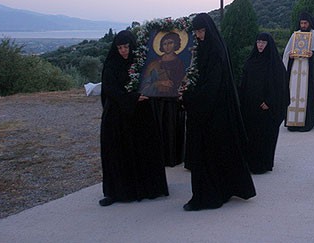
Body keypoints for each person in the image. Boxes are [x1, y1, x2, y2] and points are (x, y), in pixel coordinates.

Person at [180, 13, 256, 211]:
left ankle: (208, 197)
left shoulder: (215, 49)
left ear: (209, 29)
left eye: (201, 30)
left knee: (208, 154)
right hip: (209, 109)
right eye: (196, 31)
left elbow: (212, 85)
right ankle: (219, 191)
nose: (198, 34)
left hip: (214, 110)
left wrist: (189, 98)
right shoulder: (203, 48)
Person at [99, 30, 168, 207]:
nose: (123, 51)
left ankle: (148, 188)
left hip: (141, 115)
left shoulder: (141, 63)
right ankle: (117, 192)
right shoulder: (111, 66)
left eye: (126, 47)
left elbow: (152, 81)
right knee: (118, 153)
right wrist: (132, 98)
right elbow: (110, 90)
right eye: (120, 48)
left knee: (144, 149)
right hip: (118, 117)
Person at [238, 32, 289, 174]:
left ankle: (263, 164)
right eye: (258, 42)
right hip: (250, 106)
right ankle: (250, 162)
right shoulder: (251, 61)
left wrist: (269, 102)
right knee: (251, 135)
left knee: (264, 136)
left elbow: (280, 86)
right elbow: (245, 83)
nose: (260, 45)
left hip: (265, 108)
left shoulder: (275, 64)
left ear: (268, 45)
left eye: (263, 43)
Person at [140, 31, 186, 167]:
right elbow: (146, 84)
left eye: (170, 43)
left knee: (173, 130)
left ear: (176, 44)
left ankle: (175, 157)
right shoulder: (154, 64)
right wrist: (159, 83)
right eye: (164, 43)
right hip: (157, 100)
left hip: (174, 102)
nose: (167, 46)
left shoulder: (181, 63)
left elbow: (184, 81)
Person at [283, 12, 314, 132]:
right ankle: (292, 123)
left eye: (305, 23)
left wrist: (313, 54)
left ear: (309, 23)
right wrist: (290, 56)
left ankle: (307, 122)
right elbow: (287, 53)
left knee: (308, 94)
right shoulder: (294, 35)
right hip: (294, 71)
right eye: (301, 23)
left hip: (309, 72)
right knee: (293, 94)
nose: (303, 25)